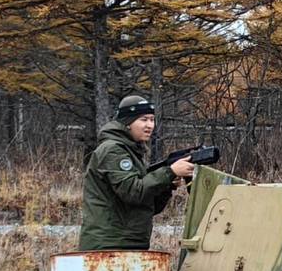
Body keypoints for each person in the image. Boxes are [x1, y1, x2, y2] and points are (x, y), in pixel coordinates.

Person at [77, 95, 194, 251]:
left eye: (152, 119)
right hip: (109, 245)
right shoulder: (113, 150)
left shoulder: (131, 151)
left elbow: (148, 206)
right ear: (127, 122)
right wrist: (169, 172)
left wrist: (168, 185)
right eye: (143, 119)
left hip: (127, 243)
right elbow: (133, 192)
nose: (150, 125)